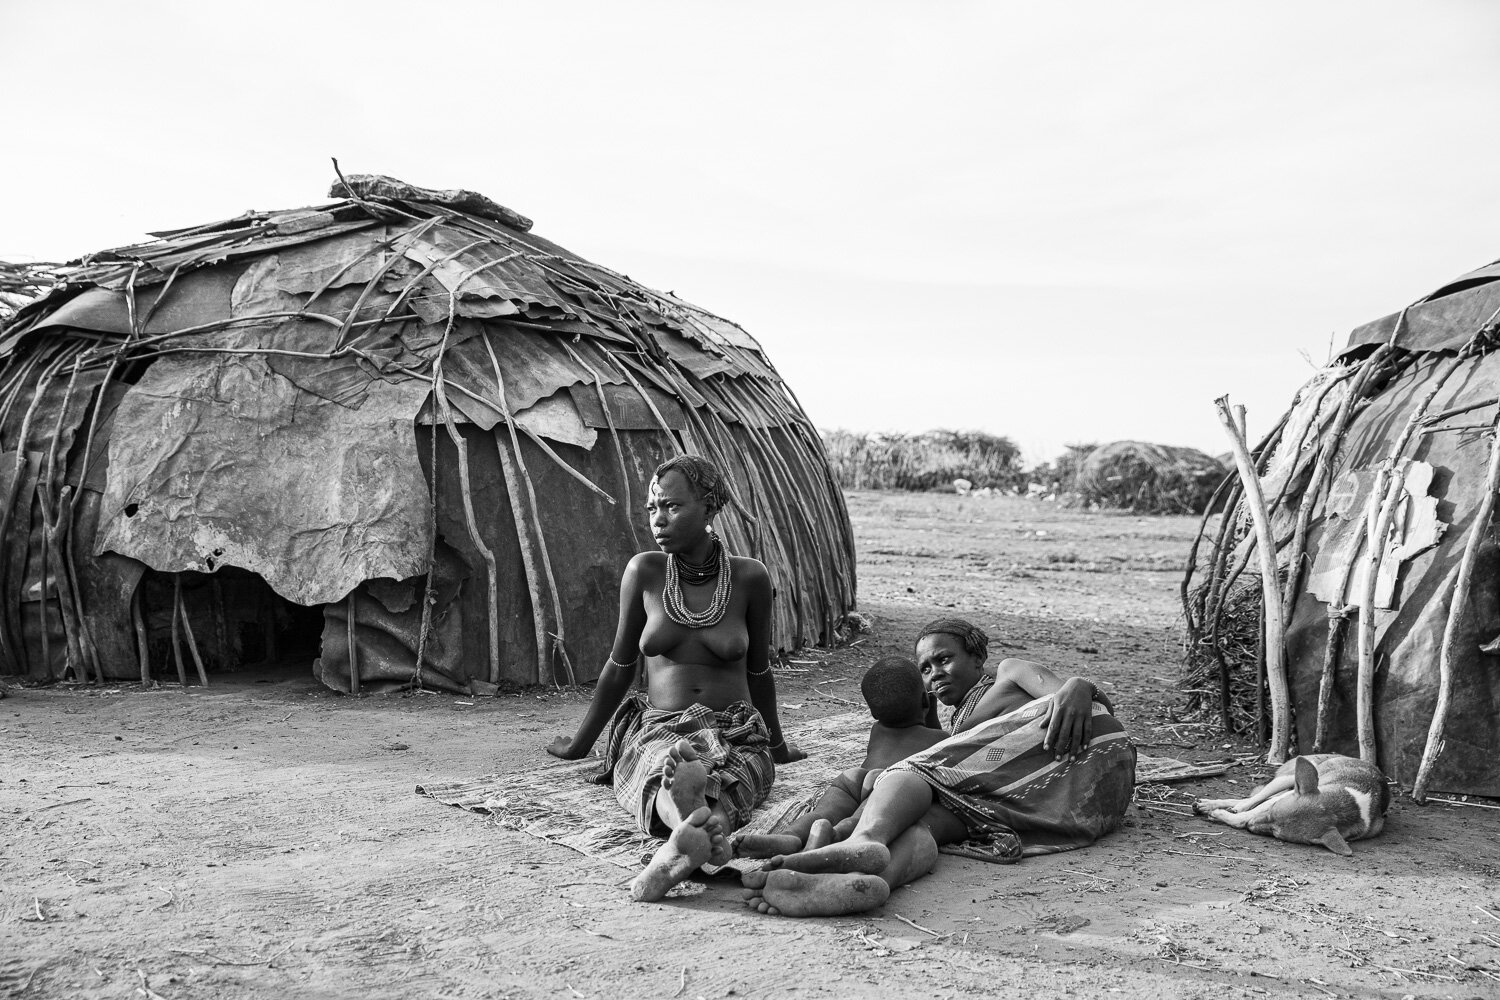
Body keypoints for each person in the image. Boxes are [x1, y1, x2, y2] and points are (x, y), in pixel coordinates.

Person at [743, 617, 1135, 918]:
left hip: (1082, 752)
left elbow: (1068, 696)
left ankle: (862, 839)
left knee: (909, 773)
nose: (935, 674)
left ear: (978, 658)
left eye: (944, 659)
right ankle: (870, 880)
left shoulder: (1007, 673)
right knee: (928, 821)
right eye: (925, 670)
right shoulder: (959, 732)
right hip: (1064, 798)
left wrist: (1081, 684)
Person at [547, 455, 805, 902]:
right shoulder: (645, 571)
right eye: (652, 508)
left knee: (737, 774)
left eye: (671, 506)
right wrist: (581, 744)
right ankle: (696, 828)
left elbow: (759, 670)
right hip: (661, 725)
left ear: (708, 507)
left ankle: (682, 837)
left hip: (736, 726)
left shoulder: (749, 577)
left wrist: (777, 746)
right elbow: (620, 666)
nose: (657, 520)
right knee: (655, 765)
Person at [733, 656, 947, 859]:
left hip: (855, 778)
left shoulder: (877, 730)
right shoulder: (940, 737)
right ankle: (836, 835)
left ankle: (790, 836)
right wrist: (931, 710)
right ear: (924, 702)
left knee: (824, 811)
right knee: (861, 818)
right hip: (891, 784)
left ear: (873, 713)